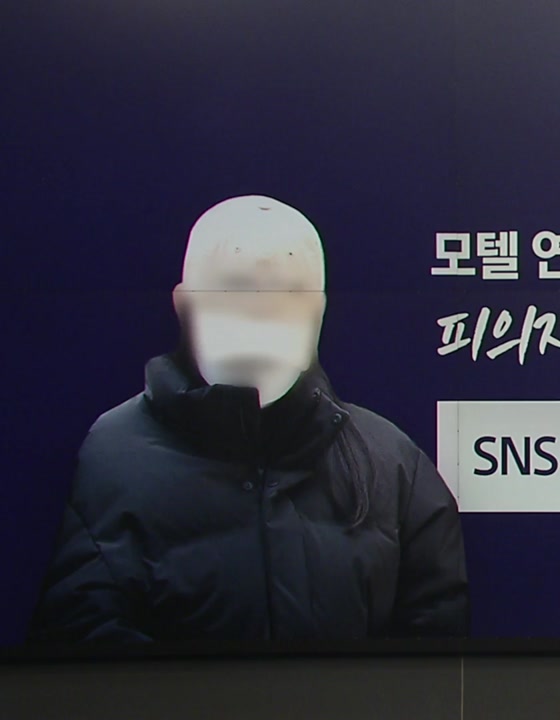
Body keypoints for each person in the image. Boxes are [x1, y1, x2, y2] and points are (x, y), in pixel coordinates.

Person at [29, 195, 469, 644]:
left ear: (319, 309)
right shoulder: (117, 454)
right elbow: (82, 631)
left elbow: (436, 640)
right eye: (234, 287)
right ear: (183, 305)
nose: (261, 309)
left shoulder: (388, 463)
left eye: (290, 292)